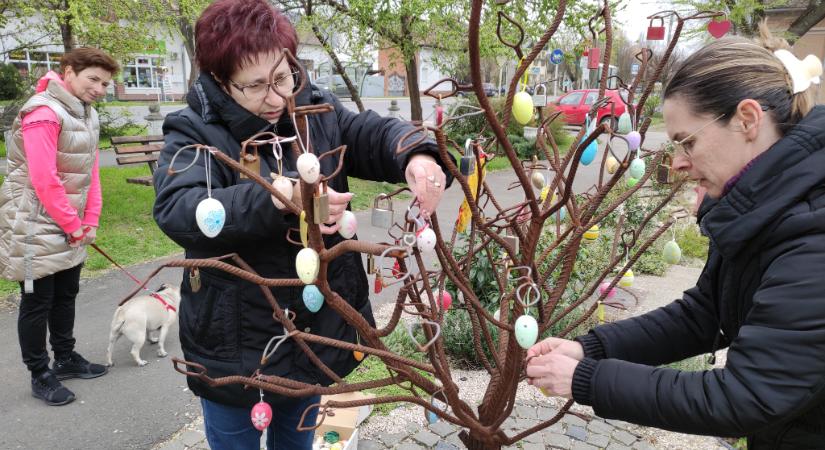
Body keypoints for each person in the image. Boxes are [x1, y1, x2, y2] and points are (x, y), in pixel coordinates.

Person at [151, 0, 451, 448]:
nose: (276, 97)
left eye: (282, 75)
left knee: (299, 441)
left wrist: (416, 153)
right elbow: (179, 206)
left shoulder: (314, 107)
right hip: (236, 339)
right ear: (220, 80)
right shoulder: (194, 129)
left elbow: (368, 133)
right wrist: (281, 196)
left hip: (314, 328)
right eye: (255, 86)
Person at [526, 24, 825, 449]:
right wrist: (589, 350)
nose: (679, 164)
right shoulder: (764, 205)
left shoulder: (813, 234)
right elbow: (703, 314)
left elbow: (744, 396)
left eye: (687, 142)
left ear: (748, 119)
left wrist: (586, 379)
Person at [0, 47, 118, 406]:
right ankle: (40, 374)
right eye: (93, 79)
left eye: (105, 83)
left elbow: (91, 173)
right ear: (68, 71)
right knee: (38, 302)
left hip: (70, 222)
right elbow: (43, 179)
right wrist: (72, 224)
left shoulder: (87, 114)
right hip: (34, 224)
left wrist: (89, 220)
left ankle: (65, 358)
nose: (99, 88)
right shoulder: (42, 112)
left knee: (67, 294)